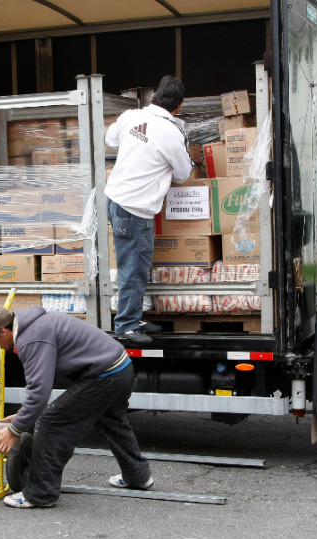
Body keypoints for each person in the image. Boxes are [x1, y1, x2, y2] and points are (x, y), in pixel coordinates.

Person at [0, 305, 153, 509]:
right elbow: (39, 390)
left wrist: (15, 430)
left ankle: (41, 494)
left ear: (3, 331)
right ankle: (138, 476)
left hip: (104, 375)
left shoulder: (30, 339)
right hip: (121, 369)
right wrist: (23, 415)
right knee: (110, 420)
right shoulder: (36, 324)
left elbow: (39, 392)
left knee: (50, 423)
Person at [105, 75, 193, 345]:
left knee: (137, 265)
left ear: (154, 97)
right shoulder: (170, 132)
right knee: (133, 268)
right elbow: (182, 174)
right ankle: (127, 325)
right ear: (177, 107)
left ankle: (133, 315)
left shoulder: (130, 116)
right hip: (134, 209)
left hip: (117, 200)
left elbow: (111, 140)